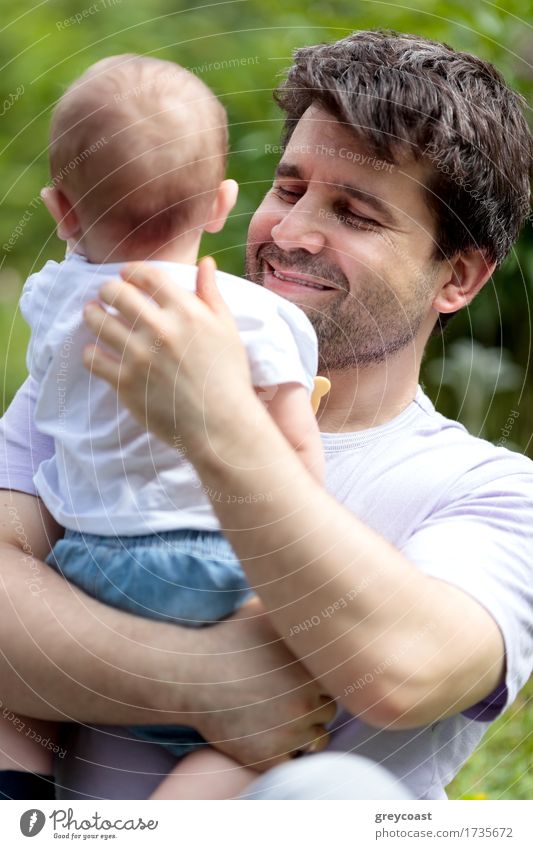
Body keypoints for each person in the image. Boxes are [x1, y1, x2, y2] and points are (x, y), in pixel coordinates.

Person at [1, 30, 532, 801]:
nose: (288, 233)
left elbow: (403, 669)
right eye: (287, 189)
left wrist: (219, 424)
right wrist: (192, 681)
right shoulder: (109, 365)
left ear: (456, 276)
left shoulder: (491, 491)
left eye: (354, 213)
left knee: (336, 791)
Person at [0, 53, 328, 801]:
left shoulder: (55, 301)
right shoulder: (251, 314)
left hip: (89, 568)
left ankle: (17, 797)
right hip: (221, 570)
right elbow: (293, 445)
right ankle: (172, 819)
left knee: (12, 690)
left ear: (60, 210)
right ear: (221, 204)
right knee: (276, 716)